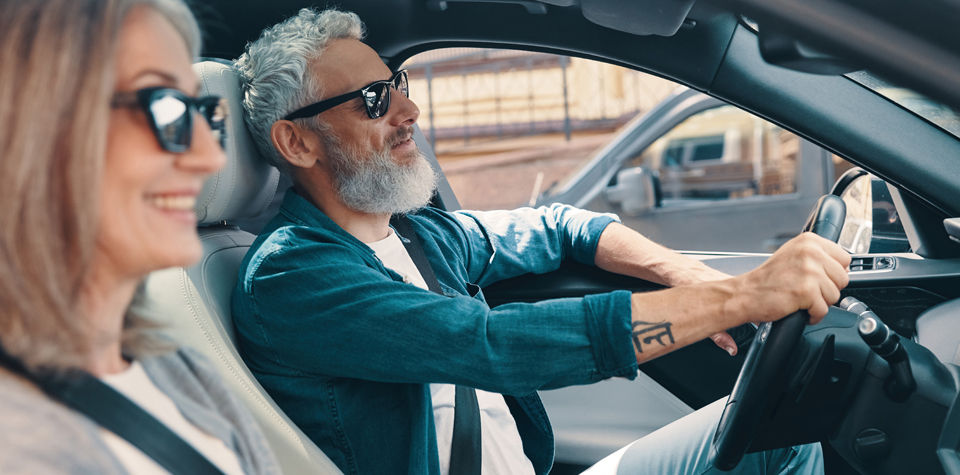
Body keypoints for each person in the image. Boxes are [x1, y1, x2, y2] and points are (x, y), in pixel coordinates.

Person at [232, 8, 850, 474]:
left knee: (779, 436)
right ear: (298, 143)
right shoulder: (294, 277)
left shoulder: (419, 235)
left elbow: (561, 227)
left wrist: (687, 275)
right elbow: (491, 345)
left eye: (398, 81)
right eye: (373, 99)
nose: (408, 109)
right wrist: (742, 298)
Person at [0, 0, 279, 473]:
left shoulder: (172, 365)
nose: (210, 156)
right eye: (164, 106)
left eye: (201, 112)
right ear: (31, 130)